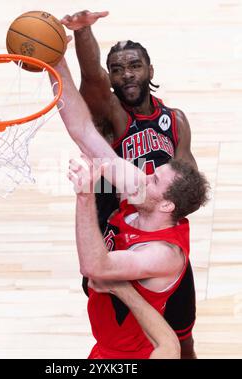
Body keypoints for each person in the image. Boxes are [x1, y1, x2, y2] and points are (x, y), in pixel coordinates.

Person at [61, 10, 199, 358]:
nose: (126, 75)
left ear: (150, 70)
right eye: (117, 69)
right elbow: (91, 83)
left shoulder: (175, 120)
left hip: (153, 228)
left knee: (180, 337)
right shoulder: (111, 113)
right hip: (114, 225)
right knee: (116, 325)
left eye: (134, 66)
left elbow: (190, 185)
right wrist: (79, 36)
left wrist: (167, 200)